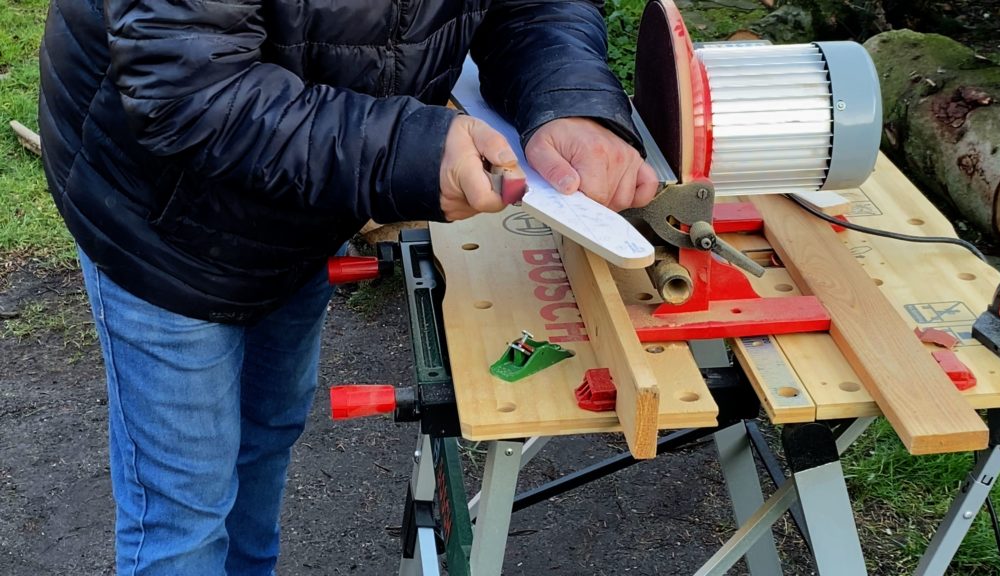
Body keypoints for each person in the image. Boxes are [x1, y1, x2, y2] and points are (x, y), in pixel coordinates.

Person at [39, 0, 659, 574]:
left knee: (265, 433)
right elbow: (189, 88)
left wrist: (566, 98)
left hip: (313, 193)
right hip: (162, 225)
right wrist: (407, 151)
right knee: (185, 512)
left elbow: (532, 7)